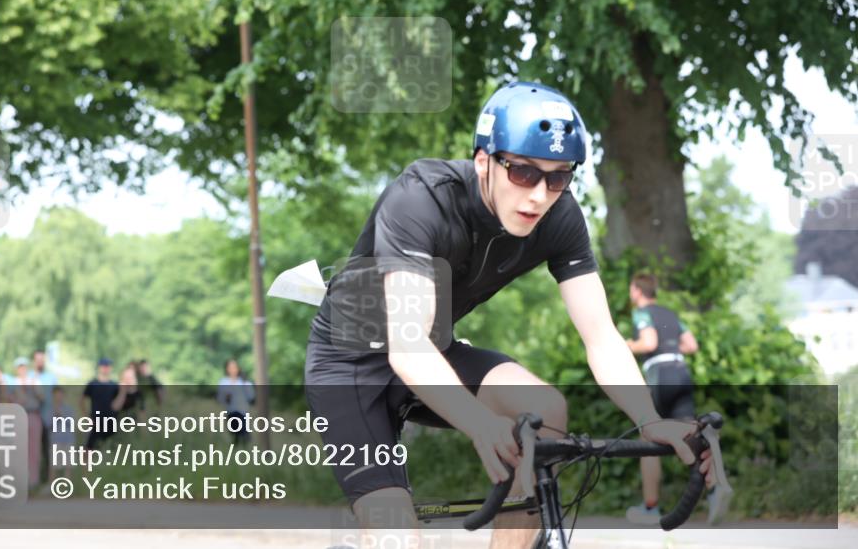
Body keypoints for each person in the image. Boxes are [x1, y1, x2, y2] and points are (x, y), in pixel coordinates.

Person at [303, 82, 715, 549]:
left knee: (546, 409)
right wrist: (479, 423)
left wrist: (648, 418)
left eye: (558, 178)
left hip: (433, 352)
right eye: (523, 172)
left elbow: (601, 336)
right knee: (396, 533)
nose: (539, 195)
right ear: (484, 161)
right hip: (350, 364)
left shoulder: (560, 218)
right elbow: (408, 345)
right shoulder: (422, 198)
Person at [622, 273, 722, 525]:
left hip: (660, 375)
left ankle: (650, 507)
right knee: (692, 433)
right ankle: (716, 491)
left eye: (631, 289)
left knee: (648, 434)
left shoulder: (641, 313)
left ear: (637, 291)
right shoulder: (670, 314)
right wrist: (671, 348)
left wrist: (626, 346)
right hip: (680, 371)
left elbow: (649, 342)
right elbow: (691, 345)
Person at [8, 356, 44, 488]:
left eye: (24, 367)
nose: (22, 369)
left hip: (33, 414)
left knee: (34, 450)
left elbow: (42, 398)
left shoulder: (35, 381)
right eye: (20, 367)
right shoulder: (13, 383)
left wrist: (33, 388)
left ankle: (33, 480)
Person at [29, 349, 57, 484]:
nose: (40, 362)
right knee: (32, 451)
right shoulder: (28, 377)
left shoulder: (51, 377)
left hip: (48, 418)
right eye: (38, 359)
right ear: (34, 361)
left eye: (42, 359)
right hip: (32, 418)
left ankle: (49, 480)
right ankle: (33, 479)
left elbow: (56, 397)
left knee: (49, 450)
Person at [82, 357, 121, 451]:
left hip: (111, 421)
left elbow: (119, 403)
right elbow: (82, 400)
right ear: (99, 367)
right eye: (104, 366)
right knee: (89, 447)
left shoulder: (114, 385)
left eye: (108, 366)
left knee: (109, 447)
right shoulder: (92, 384)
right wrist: (87, 417)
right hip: (96, 421)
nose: (106, 368)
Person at [217, 358, 255, 447]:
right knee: (235, 431)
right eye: (231, 367)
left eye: (235, 367)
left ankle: (244, 444)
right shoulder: (224, 382)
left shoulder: (243, 381)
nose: (233, 369)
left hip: (242, 411)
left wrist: (245, 384)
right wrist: (226, 397)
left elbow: (251, 396)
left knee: (241, 429)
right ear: (227, 369)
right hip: (230, 411)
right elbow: (220, 398)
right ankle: (239, 443)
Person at [48, 386, 76, 481]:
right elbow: (47, 424)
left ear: (63, 395)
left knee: (68, 465)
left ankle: (67, 486)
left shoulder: (69, 409)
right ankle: (52, 486)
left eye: (60, 394)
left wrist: (62, 415)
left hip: (68, 440)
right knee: (53, 465)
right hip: (55, 440)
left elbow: (72, 423)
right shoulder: (50, 410)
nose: (58, 397)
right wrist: (54, 416)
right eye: (56, 395)